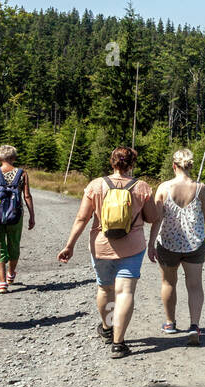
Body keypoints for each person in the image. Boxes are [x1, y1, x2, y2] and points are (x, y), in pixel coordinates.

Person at [57, 146, 158, 358]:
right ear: (131, 164)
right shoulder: (142, 187)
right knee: (125, 293)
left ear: (112, 162)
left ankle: (107, 327)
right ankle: (118, 344)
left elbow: (82, 219)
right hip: (132, 247)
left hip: (101, 246)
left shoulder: (96, 185)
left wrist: (69, 245)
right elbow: (151, 218)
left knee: (105, 290)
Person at [147, 148, 205, 343]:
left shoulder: (163, 188)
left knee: (168, 283)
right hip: (194, 243)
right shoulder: (201, 188)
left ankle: (170, 323)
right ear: (190, 166)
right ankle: (194, 326)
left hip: (168, 243)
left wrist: (151, 244)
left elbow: (157, 219)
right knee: (194, 285)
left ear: (174, 166)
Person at [0, 144, 35, 292]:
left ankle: (2, 283)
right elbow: (26, 196)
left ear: (0, 157)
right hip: (15, 216)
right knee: (14, 244)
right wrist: (32, 216)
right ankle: (11, 273)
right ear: (13, 158)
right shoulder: (22, 174)